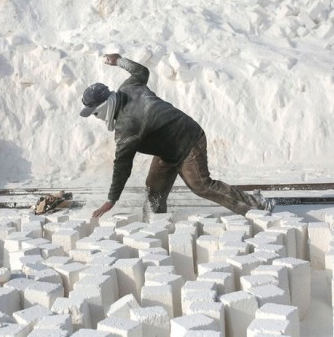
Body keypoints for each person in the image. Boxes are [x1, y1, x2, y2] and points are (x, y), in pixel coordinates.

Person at [79, 53, 274, 218]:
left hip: (188, 141)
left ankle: (257, 204)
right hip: (167, 148)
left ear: (103, 107)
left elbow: (122, 166)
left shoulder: (128, 127)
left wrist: (111, 200)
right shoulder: (128, 88)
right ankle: (156, 226)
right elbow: (141, 72)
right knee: (154, 189)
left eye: (94, 113)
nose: (96, 117)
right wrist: (119, 60)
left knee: (201, 185)